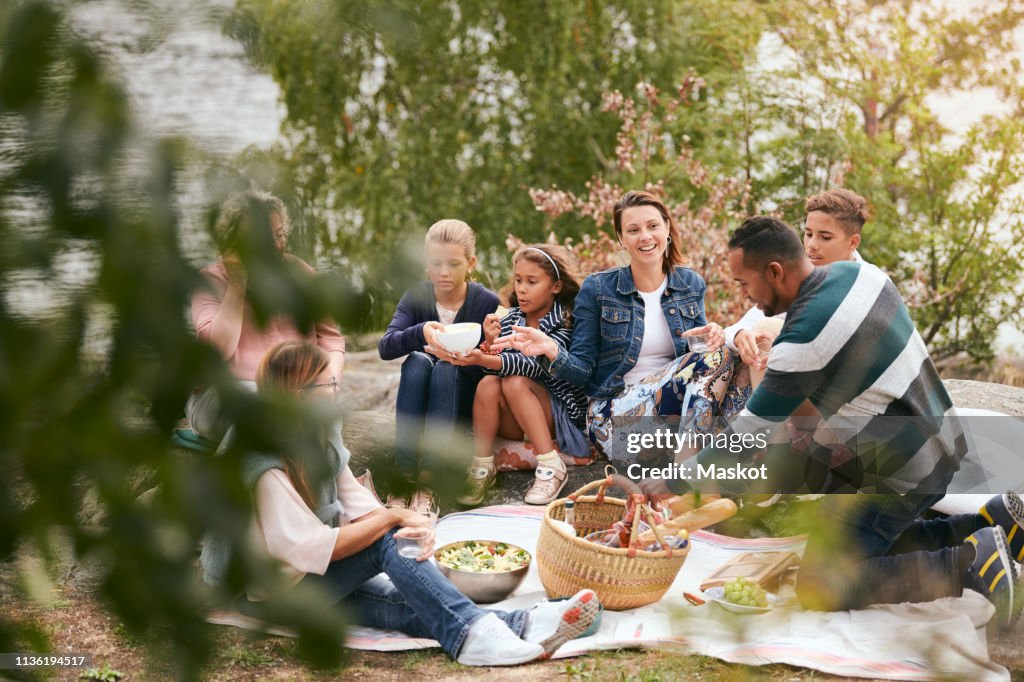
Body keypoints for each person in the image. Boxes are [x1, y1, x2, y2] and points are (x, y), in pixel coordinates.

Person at [659, 216, 1024, 629]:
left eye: (745, 284)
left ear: (775, 272)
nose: (747, 296)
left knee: (818, 584)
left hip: (897, 475)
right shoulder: (860, 276)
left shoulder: (802, 342)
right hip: (943, 442)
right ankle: (991, 525)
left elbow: (747, 435)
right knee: (870, 547)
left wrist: (671, 482)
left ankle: (970, 563)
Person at [200, 341, 601, 666]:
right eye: (328, 387)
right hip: (269, 592)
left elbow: (351, 495)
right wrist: (392, 518)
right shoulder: (261, 460)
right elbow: (308, 547)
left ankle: (522, 623)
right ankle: (472, 639)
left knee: (406, 603)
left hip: (305, 576)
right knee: (383, 539)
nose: (335, 396)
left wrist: (406, 519)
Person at [491, 190, 750, 466]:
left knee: (739, 361)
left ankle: (718, 467)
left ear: (667, 229)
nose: (645, 237)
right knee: (719, 356)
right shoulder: (599, 288)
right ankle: (686, 474)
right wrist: (552, 349)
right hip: (615, 420)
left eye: (653, 226)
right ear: (621, 239)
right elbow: (582, 373)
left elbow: (700, 362)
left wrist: (714, 335)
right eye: (633, 230)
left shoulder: (690, 284)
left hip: (674, 418)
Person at [188, 188, 346, 445]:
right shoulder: (210, 280)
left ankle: (345, 485)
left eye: (280, 234)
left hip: (293, 395)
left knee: (322, 413)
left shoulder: (301, 273)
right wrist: (238, 281)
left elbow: (331, 340)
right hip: (224, 399)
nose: (275, 245)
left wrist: (330, 384)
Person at [440, 245, 589, 506]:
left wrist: (486, 357)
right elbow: (491, 369)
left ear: (555, 286)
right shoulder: (510, 320)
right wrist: (488, 343)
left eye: (532, 282)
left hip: (554, 417)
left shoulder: (565, 323)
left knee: (516, 380)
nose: (521, 288)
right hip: (516, 419)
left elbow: (531, 366)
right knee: (488, 383)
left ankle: (550, 464)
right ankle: (483, 467)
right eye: (518, 280)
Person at [378, 219, 500, 517]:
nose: (444, 272)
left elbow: (496, 368)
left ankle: (429, 482)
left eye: (454, 264)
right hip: (419, 399)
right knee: (418, 360)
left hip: (459, 400)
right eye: (436, 263)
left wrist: (488, 346)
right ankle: (405, 476)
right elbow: (386, 347)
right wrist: (421, 332)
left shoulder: (487, 302)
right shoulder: (417, 296)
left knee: (446, 368)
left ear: (470, 263)